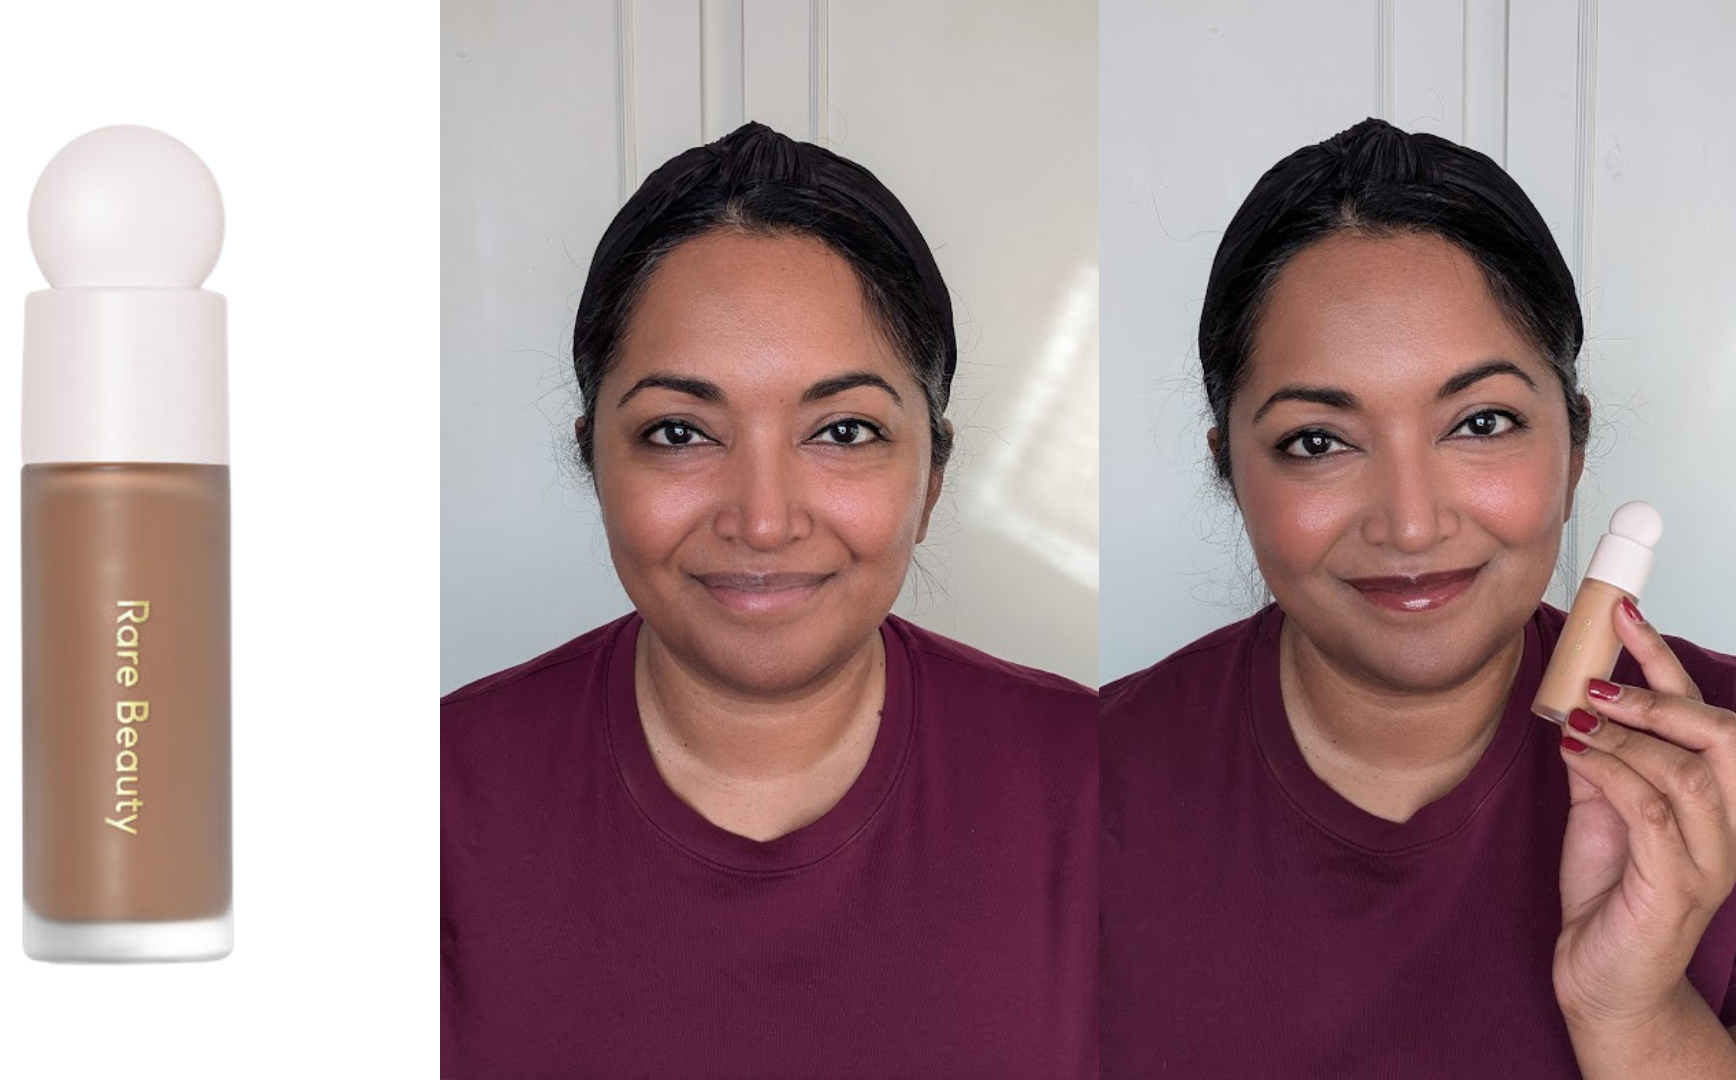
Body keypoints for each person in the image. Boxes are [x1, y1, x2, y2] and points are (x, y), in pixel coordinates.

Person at [443, 122, 1098, 1079]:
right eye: (678, 431)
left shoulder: (1103, 791)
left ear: (933, 475)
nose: (761, 519)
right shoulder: (433, 805)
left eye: (842, 428)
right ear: (593, 459)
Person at [1100, 118, 1736, 1078]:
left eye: (1481, 422)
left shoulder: (1722, 755)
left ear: (1574, 453)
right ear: (1229, 471)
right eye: (1318, 440)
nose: (1409, 524)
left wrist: (1635, 1016)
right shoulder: (1076, 787)